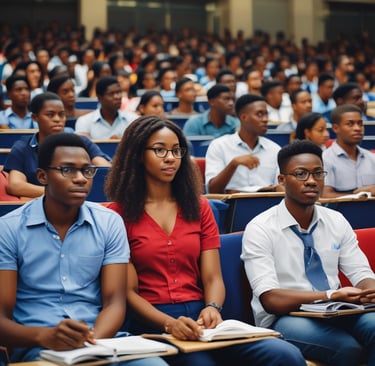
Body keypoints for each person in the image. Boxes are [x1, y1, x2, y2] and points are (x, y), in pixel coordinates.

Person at [104, 115, 306, 366]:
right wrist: (168, 323)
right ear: (136, 155)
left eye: (177, 150)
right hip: (151, 321)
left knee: (285, 354)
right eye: (159, 150)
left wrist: (212, 307)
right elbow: (128, 293)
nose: (171, 158)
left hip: (204, 318)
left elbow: (213, 278)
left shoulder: (199, 207)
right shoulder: (117, 214)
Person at [0, 132, 167, 366]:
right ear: (42, 176)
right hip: (39, 347)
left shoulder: (109, 222)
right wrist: (44, 336)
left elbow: (115, 302)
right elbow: (2, 318)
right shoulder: (8, 228)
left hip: (101, 340)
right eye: (67, 170)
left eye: (87, 171)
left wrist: (90, 344)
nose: (80, 179)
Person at [241, 140, 375, 366]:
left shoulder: (336, 220)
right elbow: (271, 299)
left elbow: (361, 273)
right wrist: (330, 296)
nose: (311, 181)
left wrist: (370, 290)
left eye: (318, 173)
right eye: (301, 174)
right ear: (282, 181)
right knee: (348, 349)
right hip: (284, 317)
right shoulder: (261, 227)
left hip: (336, 311)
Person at [4, 92, 111, 199]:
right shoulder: (22, 148)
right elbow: (15, 186)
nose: (57, 119)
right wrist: (62, 193)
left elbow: (104, 169)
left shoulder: (81, 142)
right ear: (35, 117)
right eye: (50, 114)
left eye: (61, 114)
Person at [205, 94, 283, 193]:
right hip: (230, 206)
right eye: (259, 114)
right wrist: (233, 164)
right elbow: (212, 191)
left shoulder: (274, 149)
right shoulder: (219, 146)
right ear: (244, 117)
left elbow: (280, 189)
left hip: (267, 204)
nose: (265, 119)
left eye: (266, 114)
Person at [322, 104, 375, 198]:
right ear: (335, 128)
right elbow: (325, 195)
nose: (357, 128)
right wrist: (358, 195)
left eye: (360, 124)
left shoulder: (371, 158)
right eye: (350, 124)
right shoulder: (325, 159)